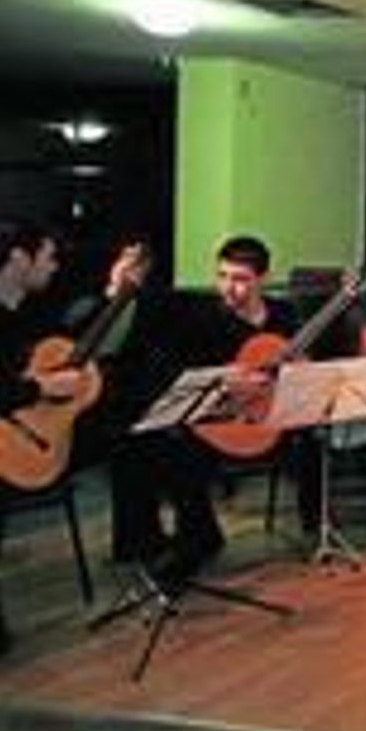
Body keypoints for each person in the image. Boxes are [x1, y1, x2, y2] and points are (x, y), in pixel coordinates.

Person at [109, 235, 299, 586]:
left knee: (180, 450)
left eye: (241, 279)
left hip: (272, 419)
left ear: (264, 278)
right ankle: (181, 537)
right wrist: (225, 382)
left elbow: (300, 372)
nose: (230, 288)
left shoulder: (285, 315)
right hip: (219, 418)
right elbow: (179, 373)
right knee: (151, 442)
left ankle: (197, 536)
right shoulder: (202, 316)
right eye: (223, 276)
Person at [0, 219, 142, 654]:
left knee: (136, 433)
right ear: (19, 258)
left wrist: (118, 292)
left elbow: (73, 349)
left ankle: (145, 547)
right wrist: (38, 388)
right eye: (48, 255)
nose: (55, 265)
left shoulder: (26, 311)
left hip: (28, 442)